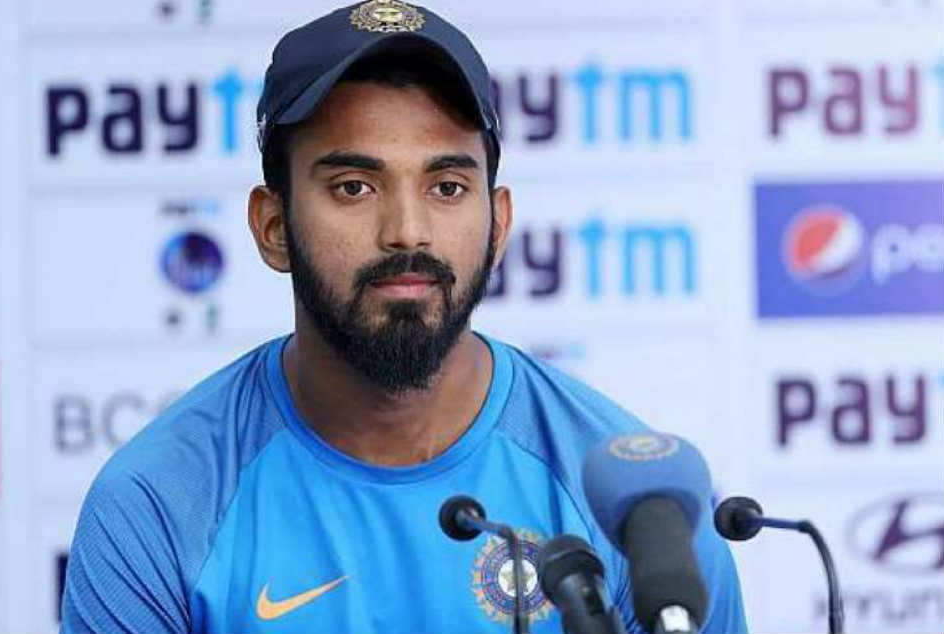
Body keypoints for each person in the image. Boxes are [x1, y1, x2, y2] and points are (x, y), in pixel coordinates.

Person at [60, 2, 748, 632]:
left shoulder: (637, 512)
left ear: (498, 225)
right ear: (273, 227)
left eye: (446, 186)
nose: (408, 231)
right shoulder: (159, 504)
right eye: (354, 187)